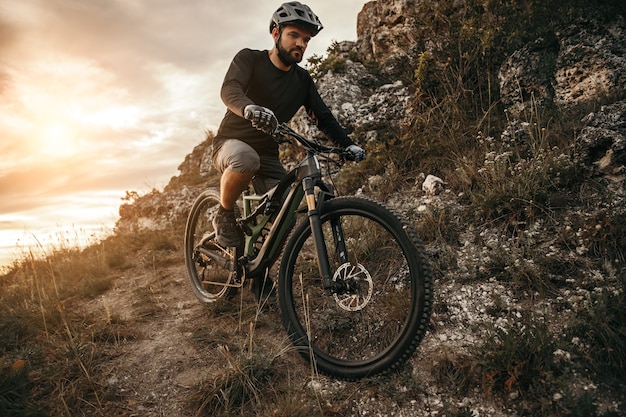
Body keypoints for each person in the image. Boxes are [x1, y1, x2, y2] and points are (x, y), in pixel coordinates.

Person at [210, 2, 365, 299]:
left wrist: (348, 145)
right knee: (245, 159)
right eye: (294, 35)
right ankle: (223, 213)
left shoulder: (302, 80)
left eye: (306, 40)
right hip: (230, 143)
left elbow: (324, 118)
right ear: (274, 32)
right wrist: (249, 108)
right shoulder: (250, 60)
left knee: (286, 214)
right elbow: (229, 90)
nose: (301, 44)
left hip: (268, 155)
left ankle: (258, 273)